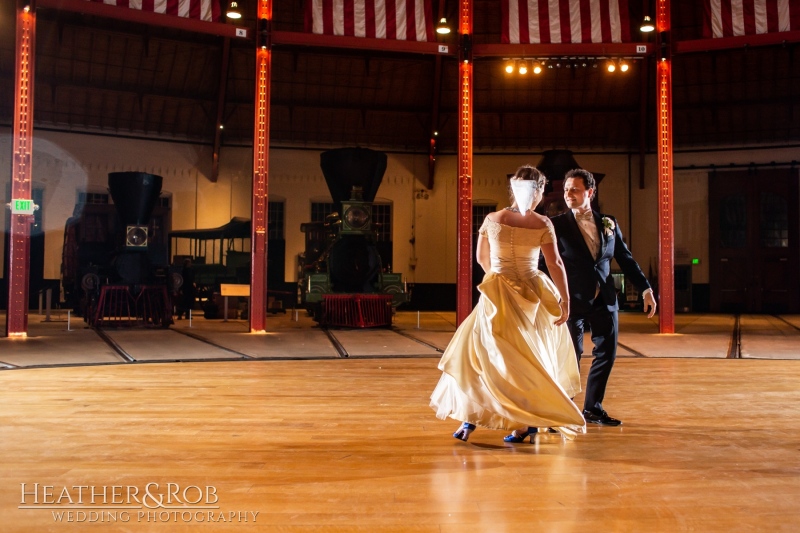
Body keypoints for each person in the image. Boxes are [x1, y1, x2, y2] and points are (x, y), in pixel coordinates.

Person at [429, 165, 586, 443]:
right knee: (528, 359)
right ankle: (526, 424)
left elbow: (480, 257)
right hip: (532, 292)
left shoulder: (493, 218)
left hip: (497, 292)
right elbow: (555, 263)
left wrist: (497, 277)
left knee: (483, 356)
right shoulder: (542, 223)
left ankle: (470, 420)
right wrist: (565, 299)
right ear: (537, 191)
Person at [548, 169, 657, 426]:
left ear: (590, 192)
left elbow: (626, 260)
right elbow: (546, 263)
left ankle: (593, 409)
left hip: (604, 298)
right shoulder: (555, 224)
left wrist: (646, 289)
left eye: (574, 189)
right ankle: (561, 411)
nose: (568, 194)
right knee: (570, 355)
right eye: (566, 190)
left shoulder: (609, 223)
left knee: (607, 352)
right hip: (571, 300)